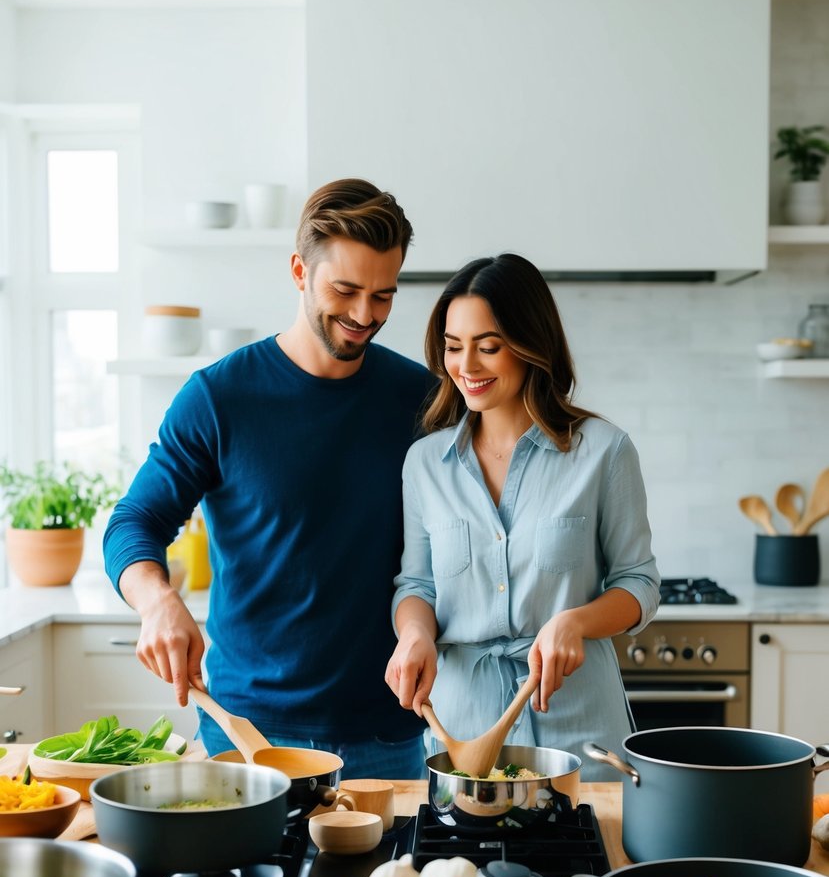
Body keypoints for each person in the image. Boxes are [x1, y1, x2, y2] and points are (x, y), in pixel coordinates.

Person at [103, 178, 435, 779]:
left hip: (385, 731)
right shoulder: (219, 397)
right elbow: (134, 522)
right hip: (248, 734)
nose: (365, 316)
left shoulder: (420, 399)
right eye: (346, 290)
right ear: (298, 271)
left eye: (384, 296)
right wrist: (157, 601)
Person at [384, 253, 660, 781]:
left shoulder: (604, 451)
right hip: (462, 730)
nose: (467, 366)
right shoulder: (426, 463)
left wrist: (574, 621)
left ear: (533, 345)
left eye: (488, 347)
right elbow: (416, 583)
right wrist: (415, 636)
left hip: (583, 736)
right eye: (453, 346)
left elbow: (639, 584)